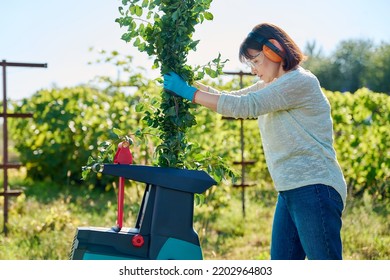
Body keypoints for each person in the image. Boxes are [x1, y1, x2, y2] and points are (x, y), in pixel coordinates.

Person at [163, 23, 347, 260]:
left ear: (275, 50)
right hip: (290, 189)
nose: (253, 70)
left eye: (256, 61)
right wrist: (191, 83)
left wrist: (190, 94)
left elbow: (245, 106)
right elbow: (233, 98)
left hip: (314, 186)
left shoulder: (300, 81)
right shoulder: (272, 85)